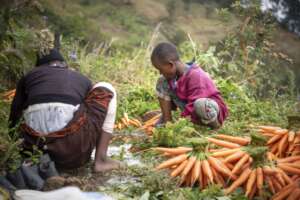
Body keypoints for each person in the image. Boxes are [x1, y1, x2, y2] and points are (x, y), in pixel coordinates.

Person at [9, 48, 119, 172]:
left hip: (33, 149)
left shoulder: (30, 76)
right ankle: (101, 160)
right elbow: (91, 113)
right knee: (106, 87)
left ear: (39, 67)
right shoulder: (81, 79)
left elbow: (14, 116)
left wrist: (16, 150)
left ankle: (39, 159)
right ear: (64, 65)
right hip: (72, 151)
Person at [151, 42, 228, 128]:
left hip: (209, 109)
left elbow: (194, 104)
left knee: (200, 105)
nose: (160, 72)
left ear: (170, 65)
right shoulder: (173, 78)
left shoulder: (196, 75)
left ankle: (215, 126)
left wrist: (180, 123)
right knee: (162, 80)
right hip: (191, 111)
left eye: (161, 69)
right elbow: (171, 97)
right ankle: (167, 121)